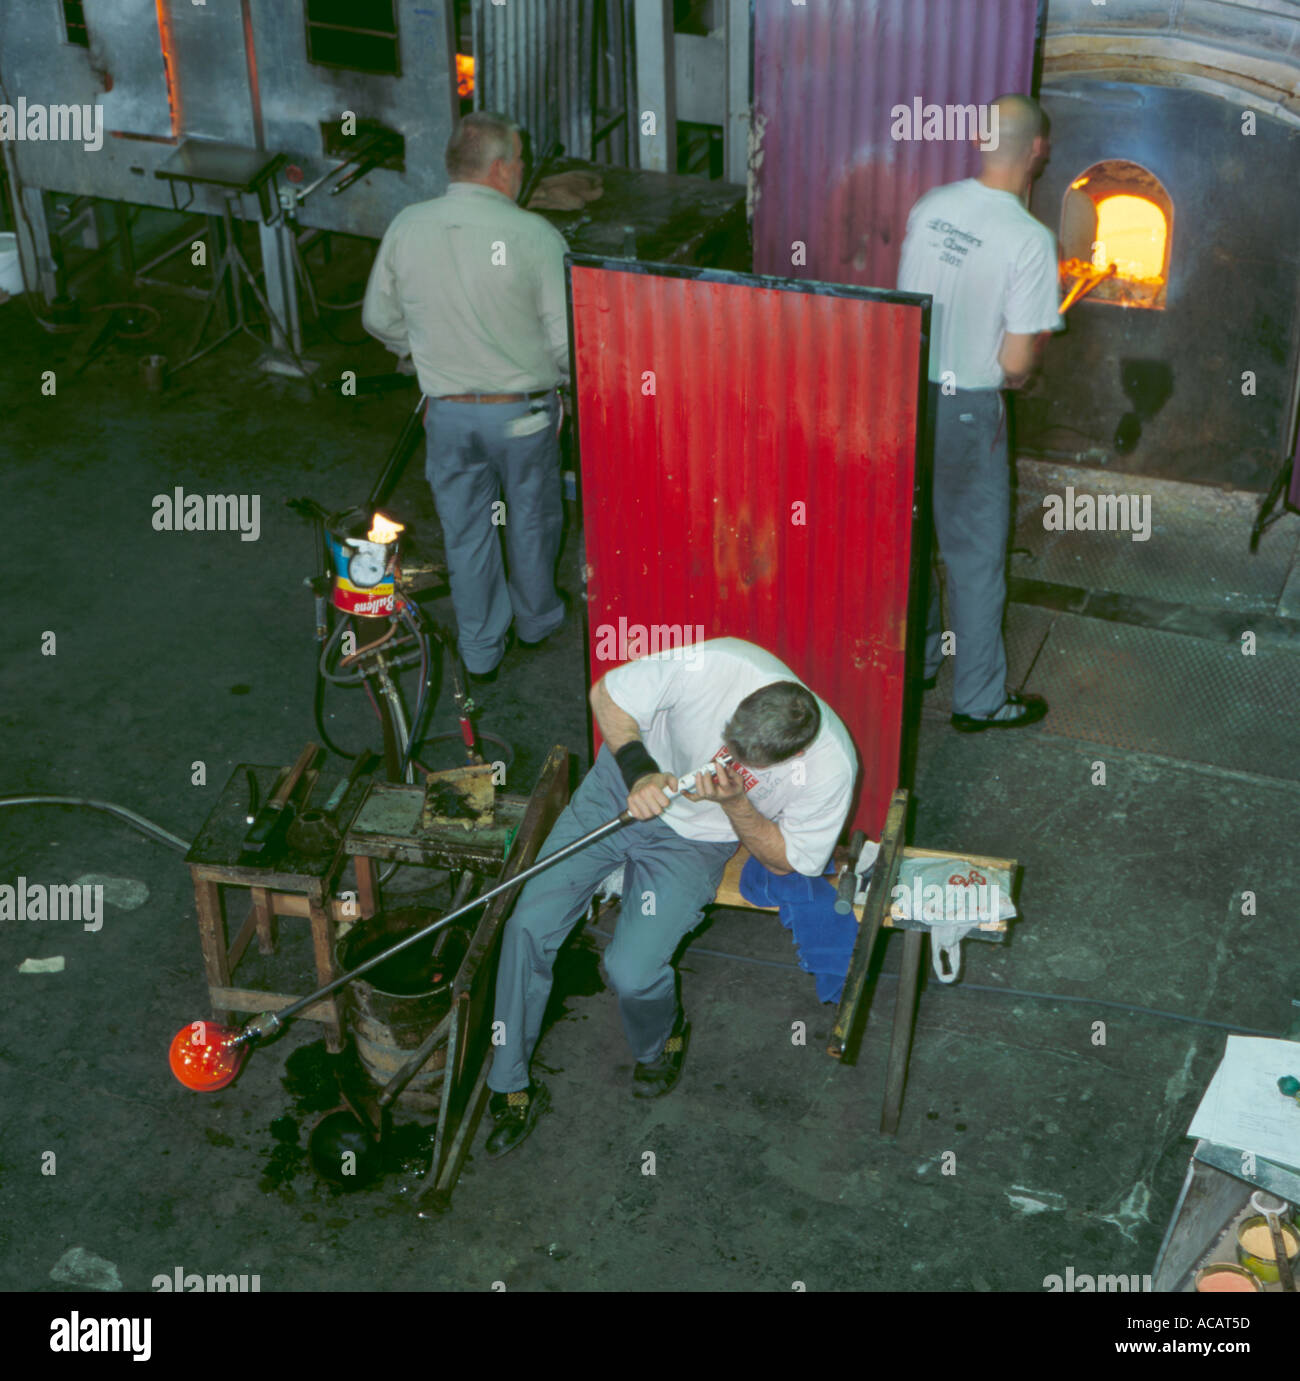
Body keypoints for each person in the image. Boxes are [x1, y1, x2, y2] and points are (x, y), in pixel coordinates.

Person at [484, 637, 858, 1157]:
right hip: (619, 792)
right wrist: (639, 769)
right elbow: (606, 695)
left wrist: (736, 805)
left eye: (743, 758)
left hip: (696, 842)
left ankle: (662, 1039)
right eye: (728, 737)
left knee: (633, 972)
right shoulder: (716, 662)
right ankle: (509, 1083)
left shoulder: (831, 767)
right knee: (528, 923)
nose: (722, 756)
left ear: (793, 754)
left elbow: (788, 862)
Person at [362, 112, 569, 684]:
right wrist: (559, 381)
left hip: (448, 414)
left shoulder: (408, 224)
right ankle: (536, 619)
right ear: (501, 168)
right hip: (523, 414)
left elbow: (378, 318)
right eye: (520, 160)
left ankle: (480, 650)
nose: (523, 170)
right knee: (531, 516)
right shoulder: (535, 235)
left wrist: (422, 356)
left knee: (466, 528)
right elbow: (565, 341)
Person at [897, 94, 1063, 730]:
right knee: (973, 559)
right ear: (1037, 151)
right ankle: (980, 700)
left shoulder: (933, 205)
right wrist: (1027, 354)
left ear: (980, 141)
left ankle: (918, 663)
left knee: (912, 541)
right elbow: (1016, 363)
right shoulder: (1029, 239)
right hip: (966, 411)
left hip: (906, 395)